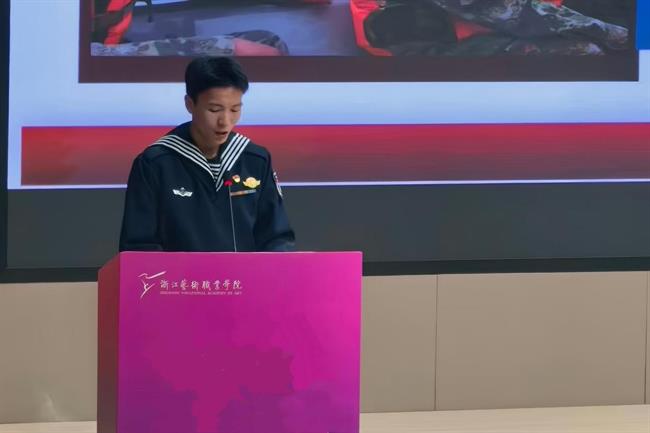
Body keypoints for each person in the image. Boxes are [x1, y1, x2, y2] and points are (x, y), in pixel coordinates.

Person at [119, 56, 295, 252]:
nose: (225, 121)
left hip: (246, 273)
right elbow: (140, 247)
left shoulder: (255, 160)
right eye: (214, 110)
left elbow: (276, 238)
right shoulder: (155, 164)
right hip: (180, 273)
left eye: (234, 110)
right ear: (189, 104)